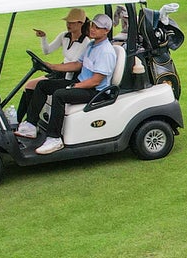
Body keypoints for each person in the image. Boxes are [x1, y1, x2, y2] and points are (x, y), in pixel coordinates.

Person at [33, 14, 119, 155]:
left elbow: (96, 80)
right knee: (43, 85)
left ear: (106, 31)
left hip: (95, 91)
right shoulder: (92, 45)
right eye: (92, 26)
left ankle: (54, 138)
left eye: (97, 28)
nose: (92, 29)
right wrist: (52, 66)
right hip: (82, 82)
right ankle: (31, 125)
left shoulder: (106, 52)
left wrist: (75, 86)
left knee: (59, 95)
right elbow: (77, 65)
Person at [14, 9, 91, 138]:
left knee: (40, 85)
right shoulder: (64, 36)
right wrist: (43, 37)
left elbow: (75, 66)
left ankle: (30, 123)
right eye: (67, 22)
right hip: (60, 71)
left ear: (80, 23)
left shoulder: (85, 42)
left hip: (73, 76)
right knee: (29, 85)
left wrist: (52, 66)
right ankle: (22, 121)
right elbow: (47, 51)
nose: (68, 24)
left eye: (72, 22)